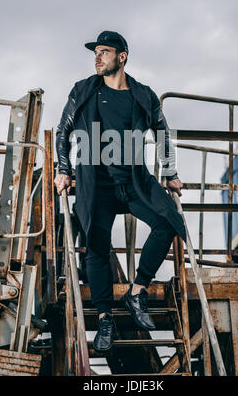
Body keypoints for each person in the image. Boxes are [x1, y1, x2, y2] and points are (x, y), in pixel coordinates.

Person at [54, 30, 186, 352]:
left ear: (121, 57)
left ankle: (137, 290)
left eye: (104, 51)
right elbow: (63, 130)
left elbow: (162, 133)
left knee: (167, 221)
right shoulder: (84, 90)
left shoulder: (142, 95)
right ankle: (104, 318)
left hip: (133, 181)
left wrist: (169, 173)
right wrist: (63, 169)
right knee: (96, 245)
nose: (97, 57)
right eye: (95, 52)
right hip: (95, 184)